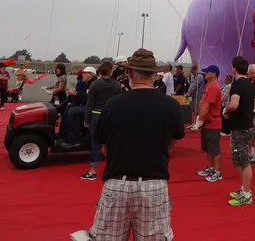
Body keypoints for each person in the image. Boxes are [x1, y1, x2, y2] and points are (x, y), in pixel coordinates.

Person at [71, 48, 184, 241]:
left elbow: (104, 147)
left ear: (129, 73)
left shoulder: (112, 105)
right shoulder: (171, 105)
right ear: (154, 74)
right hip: (153, 186)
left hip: (117, 184)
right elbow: (172, 144)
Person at [81, 61, 122, 180]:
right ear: (111, 71)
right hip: (111, 116)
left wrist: (86, 120)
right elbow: (118, 104)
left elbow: (90, 104)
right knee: (112, 143)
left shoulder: (94, 85)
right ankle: (112, 170)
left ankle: (92, 171)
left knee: (95, 143)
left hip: (96, 115)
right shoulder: (117, 85)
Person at [224, 56, 255, 206]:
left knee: (243, 161)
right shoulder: (250, 84)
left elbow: (234, 104)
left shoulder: (236, 85)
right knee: (241, 159)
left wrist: (225, 109)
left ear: (234, 68)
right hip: (248, 125)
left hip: (240, 127)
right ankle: (243, 188)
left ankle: (246, 194)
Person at [196, 65, 223, 183]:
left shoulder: (214, 87)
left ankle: (217, 171)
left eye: (207, 72)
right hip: (207, 121)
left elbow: (207, 105)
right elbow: (203, 102)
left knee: (214, 148)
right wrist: (200, 117)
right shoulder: (208, 86)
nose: (205, 74)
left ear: (214, 74)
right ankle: (211, 167)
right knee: (207, 148)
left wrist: (199, 119)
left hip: (213, 122)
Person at [59, 67, 97, 148]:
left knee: (73, 112)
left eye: (84, 73)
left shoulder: (95, 84)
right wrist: (73, 96)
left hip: (92, 107)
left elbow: (90, 97)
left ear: (90, 74)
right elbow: (84, 96)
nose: (82, 74)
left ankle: (75, 140)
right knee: (68, 107)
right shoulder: (88, 83)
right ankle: (64, 134)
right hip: (86, 105)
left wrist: (76, 94)